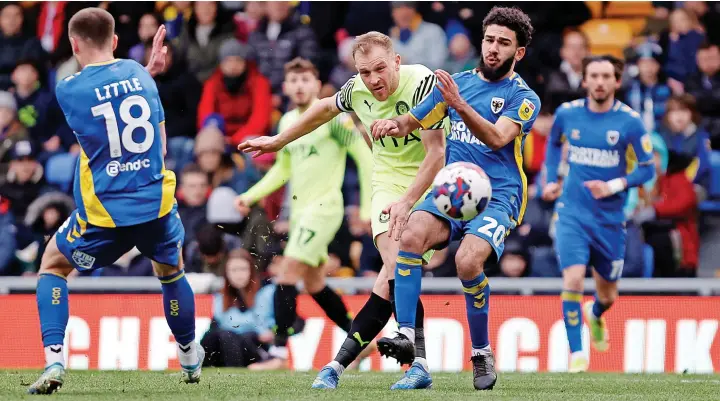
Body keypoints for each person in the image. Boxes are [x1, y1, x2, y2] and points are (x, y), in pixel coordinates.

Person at [238, 31, 445, 390]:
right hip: (387, 186)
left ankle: (321, 359)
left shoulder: (421, 83)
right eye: (365, 72)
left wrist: (403, 202)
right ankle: (363, 364)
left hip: (427, 186)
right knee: (391, 270)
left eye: (380, 68)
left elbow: (436, 154)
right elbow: (323, 108)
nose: (374, 79)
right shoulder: (353, 92)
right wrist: (276, 141)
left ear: (397, 61)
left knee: (386, 277)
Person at [27, 9, 204, 395]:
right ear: (116, 40)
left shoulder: (68, 88)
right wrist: (147, 72)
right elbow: (157, 137)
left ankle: (55, 359)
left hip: (105, 212)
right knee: (171, 273)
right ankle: (190, 356)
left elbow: (101, 105)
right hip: (155, 203)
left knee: (53, 265)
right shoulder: (140, 76)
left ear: (74, 45)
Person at [371, 6, 540, 391]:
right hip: (452, 190)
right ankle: (406, 336)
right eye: (489, 40)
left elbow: (498, 138)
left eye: (504, 43)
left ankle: (480, 351)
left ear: (520, 52)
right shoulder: (456, 82)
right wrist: (391, 124)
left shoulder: (523, 97)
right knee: (409, 236)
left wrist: (459, 105)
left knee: (467, 261)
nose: (493, 48)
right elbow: (412, 121)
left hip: (498, 197)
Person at [234, 57, 373, 370]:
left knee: (286, 274)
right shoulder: (286, 124)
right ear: (285, 87)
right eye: (293, 81)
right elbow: (283, 170)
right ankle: (362, 340)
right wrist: (250, 195)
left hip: (325, 209)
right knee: (313, 283)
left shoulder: (334, 118)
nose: (299, 86)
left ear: (317, 83)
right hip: (301, 215)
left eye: (305, 80)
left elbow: (364, 157)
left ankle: (281, 355)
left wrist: (366, 208)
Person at [541, 55, 655, 372]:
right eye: (594, 75)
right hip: (572, 213)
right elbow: (552, 144)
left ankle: (596, 315)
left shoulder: (630, 122)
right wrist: (552, 180)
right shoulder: (568, 114)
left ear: (616, 82)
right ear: (585, 80)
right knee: (574, 278)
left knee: (608, 293)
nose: (600, 82)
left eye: (607, 76)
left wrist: (615, 184)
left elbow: (647, 169)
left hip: (609, 219)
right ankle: (578, 355)